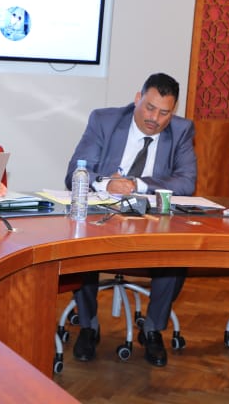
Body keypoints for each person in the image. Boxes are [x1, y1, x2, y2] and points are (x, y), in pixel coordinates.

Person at [64, 73, 197, 367]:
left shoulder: (181, 130)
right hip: (104, 215)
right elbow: (75, 173)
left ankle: (152, 329)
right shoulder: (105, 121)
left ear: (173, 112)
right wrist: (106, 183)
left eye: (164, 113)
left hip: (151, 221)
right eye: (149, 107)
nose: (154, 119)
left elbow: (187, 182)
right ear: (138, 98)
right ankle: (88, 325)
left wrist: (138, 184)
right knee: (78, 243)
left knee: (177, 252)